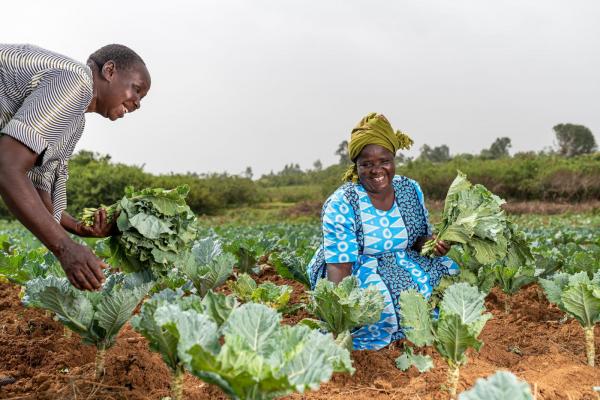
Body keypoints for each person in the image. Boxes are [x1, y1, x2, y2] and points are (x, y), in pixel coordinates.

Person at [0, 43, 151, 291]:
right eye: (136, 90)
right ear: (110, 71)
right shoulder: (76, 80)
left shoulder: (74, 122)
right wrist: (64, 247)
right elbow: (8, 166)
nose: (137, 103)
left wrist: (79, 228)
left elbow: (37, 190)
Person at [307, 112, 459, 350]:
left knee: (450, 273)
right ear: (356, 167)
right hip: (356, 267)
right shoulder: (343, 202)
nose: (376, 170)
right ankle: (382, 342)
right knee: (385, 299)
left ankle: (428, 332)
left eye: (384, 161)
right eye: (366, 164)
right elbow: (340, 266)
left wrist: (432, 244)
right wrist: (340, 318)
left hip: (403, 259)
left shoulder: (409, 189)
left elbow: (418, 238)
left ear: (393, 160)